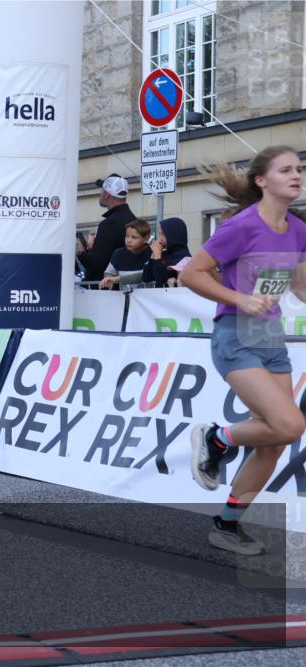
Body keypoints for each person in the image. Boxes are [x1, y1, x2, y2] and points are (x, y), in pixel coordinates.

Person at [182, 146, 305, 556]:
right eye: (285, 169)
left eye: (299, 169)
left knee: (273, 442)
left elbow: (301, 287)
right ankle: (218, 438)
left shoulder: (299, 230)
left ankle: (227, 525)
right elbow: (192, 274)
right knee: (290, 425)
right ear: (261, 181)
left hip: (271, 340)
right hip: (235, 335)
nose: (296, 175)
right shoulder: (241, 225)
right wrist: (240, 299)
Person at [77, 174, 135, 282]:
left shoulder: (109, 224)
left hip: (105, 289)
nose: (100, 193)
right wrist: (92, 249)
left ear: (107, 195)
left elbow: (97, 264)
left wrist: (80, 252)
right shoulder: (134, 220)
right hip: (126, 287)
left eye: (101, 190)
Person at [98, 219, 152, 291]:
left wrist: (117, 279)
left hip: (146, 300)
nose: (129, 240)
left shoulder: (152, 253)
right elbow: (109, 272)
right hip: (125, 299)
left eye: (134, 237)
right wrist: (108, 278)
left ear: (146, 239)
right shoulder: (118, 254)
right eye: (127, 236)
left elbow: (143, 276)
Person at [143, 217, 192, 287]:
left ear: (173, 235)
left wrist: (157, 256)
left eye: (163, 234)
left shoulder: (184, 257)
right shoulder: (163, 254)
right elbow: (146, 278)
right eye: (159, 234)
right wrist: (153, 256)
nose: (160, 238)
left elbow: (160, 279)